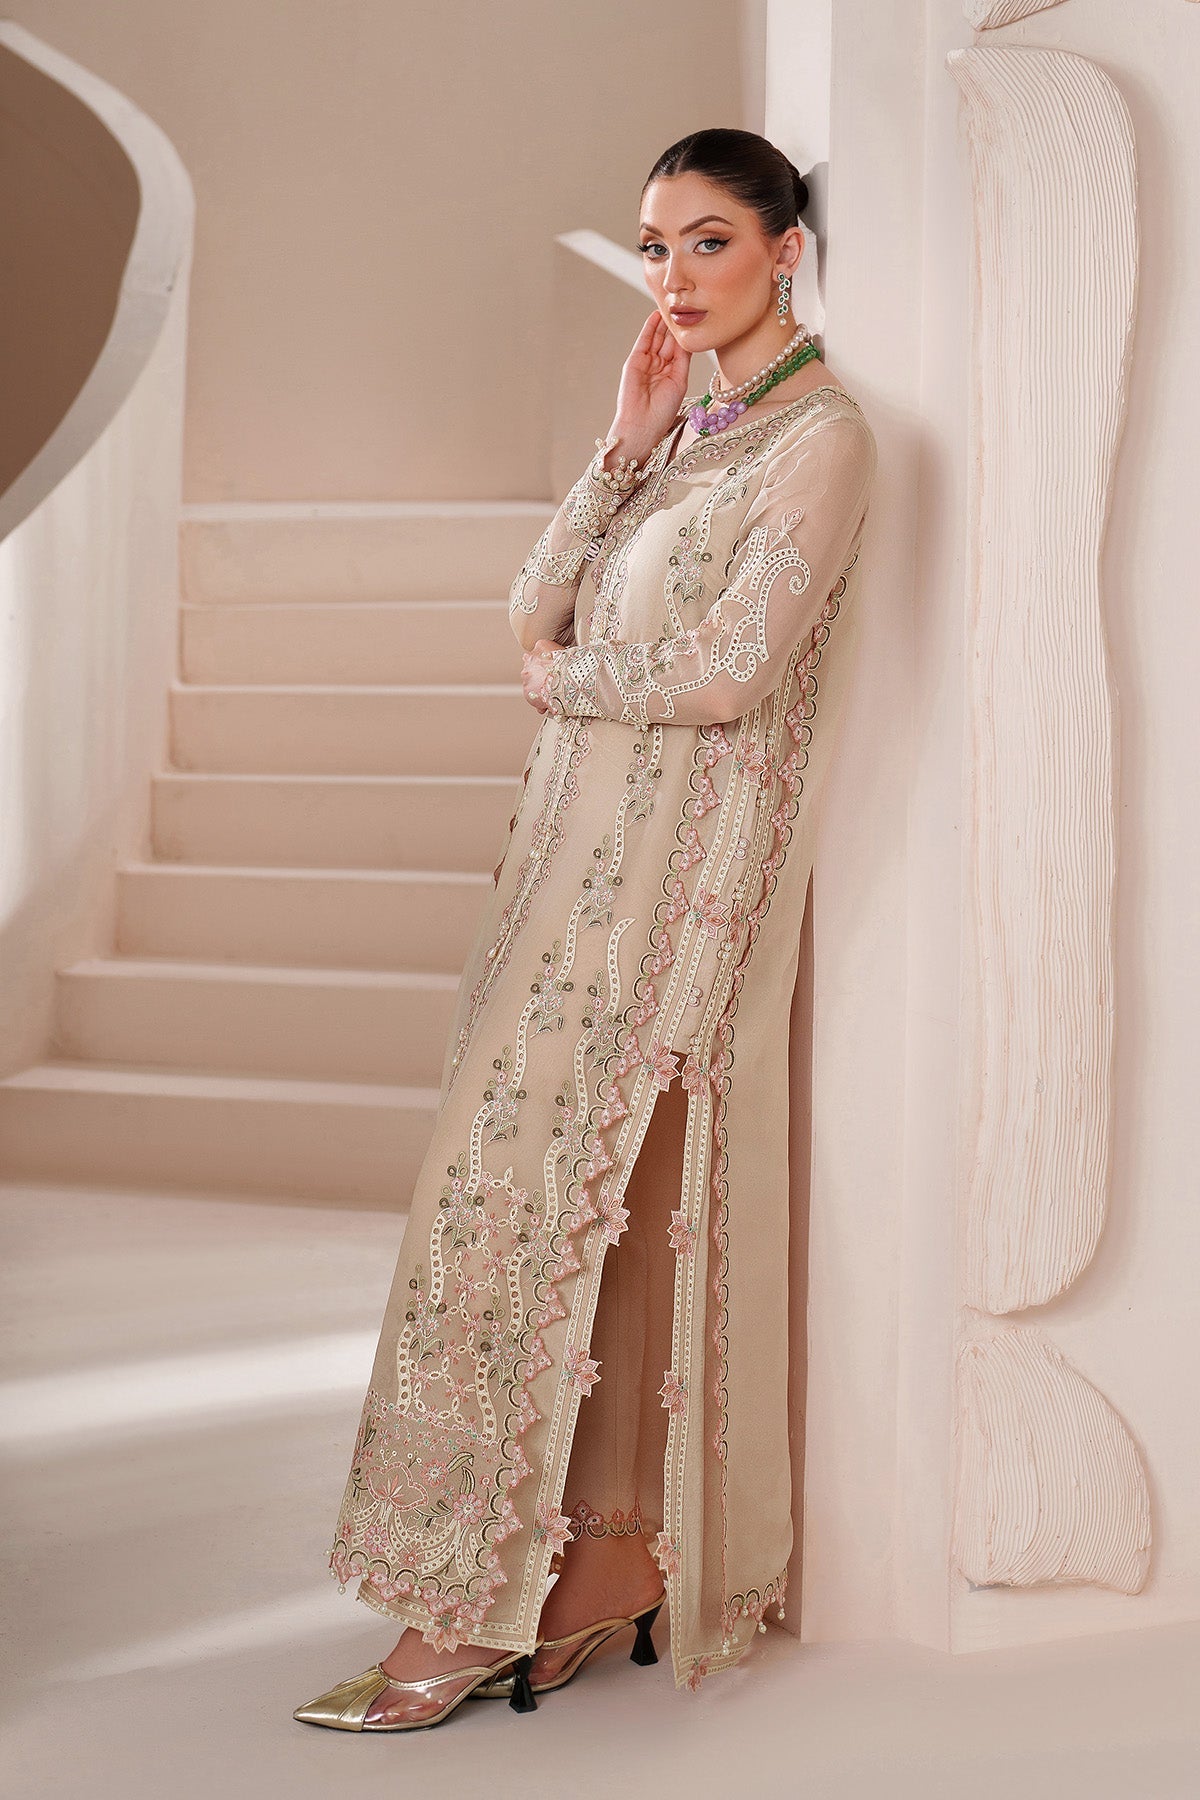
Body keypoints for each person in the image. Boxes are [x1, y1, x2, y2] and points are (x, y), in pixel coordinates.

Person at [293, 125, 878, 1734]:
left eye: (709, 241)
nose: (674, 276)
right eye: (654, 246)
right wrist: (620, 447)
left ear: (786, 250)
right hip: (565, 873)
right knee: (511, 1209)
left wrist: (564, 685)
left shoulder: (822, 442)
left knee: (558, 1216)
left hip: (677, 886)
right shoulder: (684, 440)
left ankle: (498, 1600)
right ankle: (575, 1576)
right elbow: (527, 606)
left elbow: (729, 676)